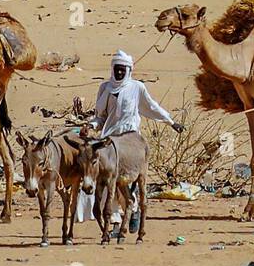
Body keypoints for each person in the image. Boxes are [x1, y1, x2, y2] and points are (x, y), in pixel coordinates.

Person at [76, 50, 184, 234]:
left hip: (130, 139)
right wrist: (90, 125)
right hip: (109, 139)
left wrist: (171, 122)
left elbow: (151, 106)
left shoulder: (136, 87)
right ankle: (116, 222)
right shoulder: (105, 88)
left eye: (122, 69)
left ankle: (131, 210)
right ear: (113, 69)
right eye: (117, 69)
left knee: (124, 179)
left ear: (129, 70)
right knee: (103, 178)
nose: (119, 73)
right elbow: (100, 117)